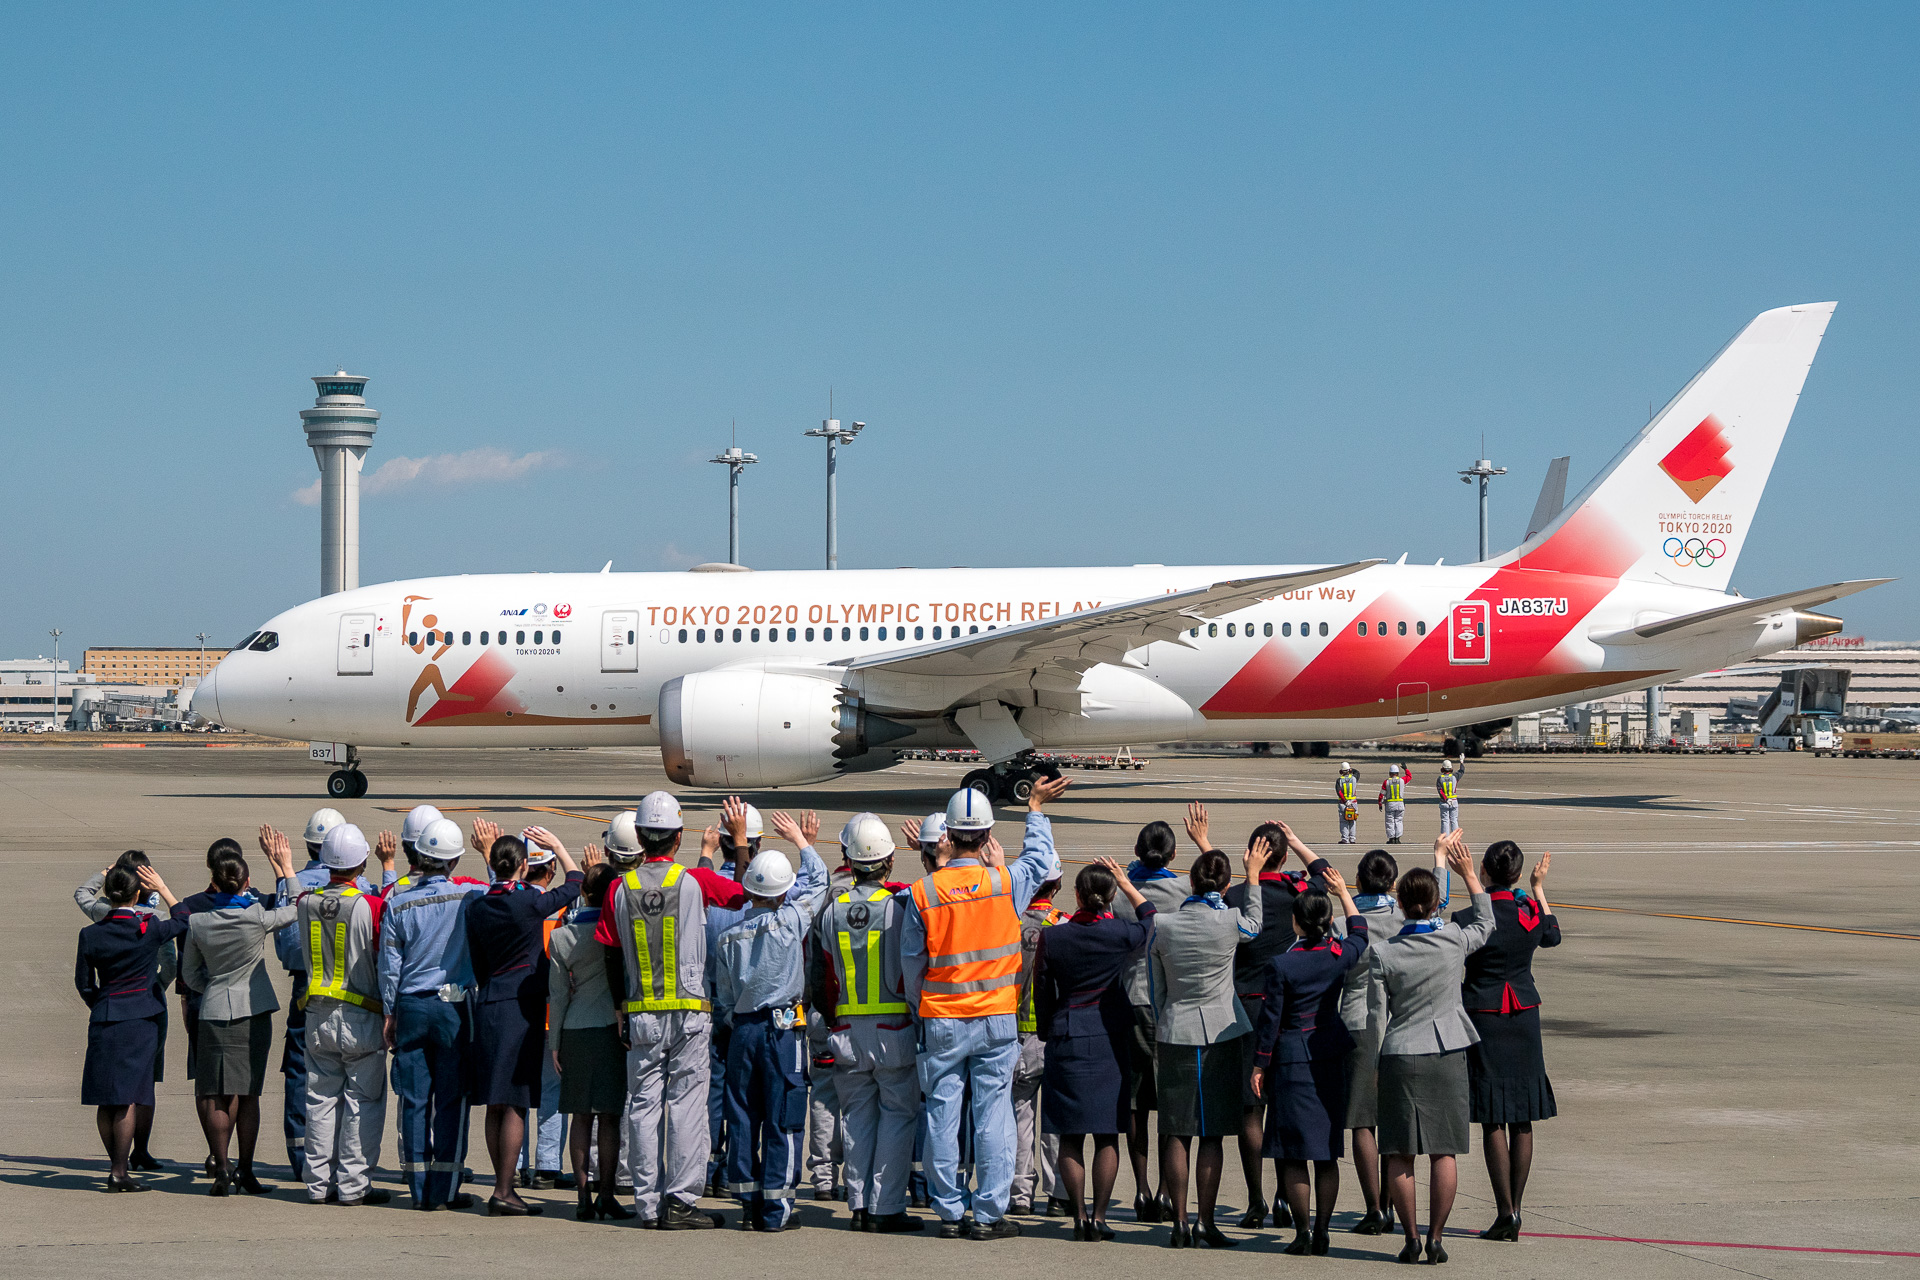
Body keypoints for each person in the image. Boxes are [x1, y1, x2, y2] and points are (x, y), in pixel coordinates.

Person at [903, 776, 1068, 1240]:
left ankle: (949, 1212)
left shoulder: (923, 892)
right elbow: (1038, 861)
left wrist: (929, 1006)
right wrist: (1034, 808)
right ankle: (989, 1213)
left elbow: (912, 968)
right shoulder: (1005, 884)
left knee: (942, 1112)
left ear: (947, 837)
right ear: (989, 835)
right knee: (993, 1114)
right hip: (996, 1017)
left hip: (942, 1018)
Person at [595, 790, 748, 1229]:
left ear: (641, 837)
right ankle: (680, 1201)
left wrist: (620, 1007)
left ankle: (646, 1203)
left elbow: (608, 950)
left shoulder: (619, 888)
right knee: (686, 1106)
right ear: (677, 838)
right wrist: (737, 843)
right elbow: (741, 896)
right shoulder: (693, 881)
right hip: (689, 1013)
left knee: (642, 1106)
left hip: (641, 1011)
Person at [1367, 832, 1495, 1264]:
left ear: (1400, 904)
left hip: (1401, 1050)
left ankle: (1410, 1237)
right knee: (1445, 1149)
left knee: (1399, 1152)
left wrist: (1373, 1062)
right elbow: (1486, 923)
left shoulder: (1384, 954)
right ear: (1436, 902)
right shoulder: (1453, 940)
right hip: (1447, 1048)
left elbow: (1374, 1017)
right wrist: (1470, 877)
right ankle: (1437, 1236)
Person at [1148, 825, 1269, 1248]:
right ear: (1223, 885)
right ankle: (1205, 1220)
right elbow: (1256, 925)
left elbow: (1156, 988)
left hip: (1176, 1029)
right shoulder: (1230, 921)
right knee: (1211, 1133)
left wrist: (1168, 1020)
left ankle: (1180, 1222)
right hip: (1220, 1030)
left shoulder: (1163, 925)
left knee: (1177, 1129)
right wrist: (1252, 877)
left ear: (1191, 881)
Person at [713, 814, 832, 1231]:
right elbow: (819, 882)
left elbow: (725, 998)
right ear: (783, 893)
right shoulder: (791, 921)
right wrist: (802, 840)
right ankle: (777, 1209)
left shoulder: (730, 939)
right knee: (784, 1115)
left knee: (743, 1115)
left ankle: (747, 1203)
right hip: (783, 1031)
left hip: (743, 1030)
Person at [1031, 857, 1156, 1241]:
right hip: (1108, 1036)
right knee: (1107, 1135)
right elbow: (1150, 919)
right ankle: (1100, 1216)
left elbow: (1041, 989)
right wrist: (1128, 883)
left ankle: (1079, 1216)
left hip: (1068, 1032)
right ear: (1111, 896)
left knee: (1069, 1135)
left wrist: (1048, 1027)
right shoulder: (1119, 933)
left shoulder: (1055, 936)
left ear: (1078, 896)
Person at [810, 814, 924, 1233]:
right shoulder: (899, 905)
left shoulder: (830, 911)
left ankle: (858, 1204)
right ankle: (886, 1206)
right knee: (897, 1114)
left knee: (857, 1117)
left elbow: (821, 975)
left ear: (847, 860)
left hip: (846, 1030)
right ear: (889, 862)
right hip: (893, 1026)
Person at [1249, 866, 1370, 1255]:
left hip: (1290, 1057)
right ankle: (1322, 1231)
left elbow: (1270, 1021)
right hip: (1328, 1052)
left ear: (1297, 923)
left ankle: (1302, 1233)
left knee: (1293, 1151)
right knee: (1325, 1151)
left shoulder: (1282, 964)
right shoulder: (1337, 956)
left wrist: (1259, 1063)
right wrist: (1342, 894)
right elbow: (1360, 933)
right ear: (1328, 920)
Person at [465, 826, 584, 1215]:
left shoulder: (478, 906)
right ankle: (504, 1189)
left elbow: (479, 962)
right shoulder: (530, 903)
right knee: (516, 1101)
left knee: (494, 1103)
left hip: (489, 1002)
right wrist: (559, 846)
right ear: (521, 866)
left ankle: (502, 1183)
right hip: (522, 1006)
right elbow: (576, 883)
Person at [272, 808, 396, 1182]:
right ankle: (352, 1184)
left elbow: (292, 899)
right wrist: (388, 865)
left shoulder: (306, 902)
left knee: (320, 1101)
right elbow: (390, 936)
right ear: (362, 863)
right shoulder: (371, 904)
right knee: (362, 1102)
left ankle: (317, 1182)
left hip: (317, 1015)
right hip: (361, 1015)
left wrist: (285, 869)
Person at [1222, 813, 1326, 1231]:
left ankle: (1255, 1200)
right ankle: (1287, 1197)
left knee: (1251, 1110)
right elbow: (1324, 875)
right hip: (1289, 1008)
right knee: (1285, 1105)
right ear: (1282, 858)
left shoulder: (1234, 897)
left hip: (1247, 1005)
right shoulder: (1297, 894)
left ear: (1250, 855)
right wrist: (1296, 839)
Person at [180, 837, 301, 1195]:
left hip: (215, 1011)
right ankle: (246, 1170)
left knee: (216, 1094)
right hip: (254, 1009)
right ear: (246, 884)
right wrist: (287, 867)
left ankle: (222, 1168)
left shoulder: (199, 922)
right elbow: (295, 905)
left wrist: (213, 986)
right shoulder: (255, 917)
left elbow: (190, 974)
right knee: (249, 1094)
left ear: (214, 884)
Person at [378, 817, 489, 1210]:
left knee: (413, 1099)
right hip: (453, 1004)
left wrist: (390, 1013)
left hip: (410, 1003)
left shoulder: (398, 902)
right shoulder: (469, 896)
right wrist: (489, 853)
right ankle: (446, 1188)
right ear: (453, 862)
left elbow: (390, 967)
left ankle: (419, 1187)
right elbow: (502, 893)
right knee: (452, 1098)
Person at [1460, 842, 1560, 1242]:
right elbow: (1552, 935)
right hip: (1523, 1016)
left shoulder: (1470, 916)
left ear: (1484, 870)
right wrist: (1538, 890)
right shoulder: (1530, 913)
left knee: (1492, 1116)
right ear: (1517, 875)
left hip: (1484, 1015)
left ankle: (1504, 1211)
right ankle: (1516, 1207)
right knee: (1522, 1116)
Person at [76, 862, 187, 1191]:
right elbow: (182, 919)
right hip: (141, 1018)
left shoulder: (91, 933)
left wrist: (102, 1002)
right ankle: (119, 1171)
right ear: (138, 893)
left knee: (105, 1098)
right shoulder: (149, 927)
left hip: (106, 1015)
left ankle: (115, 1162)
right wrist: (164, 888)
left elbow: (83, 984)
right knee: (128, 1098)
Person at [548, 860, 634, 1220]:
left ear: (583, 891)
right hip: (611, 1028)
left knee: (580, 1117)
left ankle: (582, 1194)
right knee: (610, 1118)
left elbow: (558, 994)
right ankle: (607, 1193)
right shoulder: (619, 931)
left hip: (575, 1027)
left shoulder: (562, 936)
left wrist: (554, 1043)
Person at [1119, 818, 1187, 1224]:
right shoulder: (1181, 890)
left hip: (1131, 999)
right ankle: (1165, 1190)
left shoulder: (1121, 890)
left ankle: (1142, 1189)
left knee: (1135, 1104)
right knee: (1168, 1103)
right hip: (1168, 1003)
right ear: (1173, 855)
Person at [1339, 848, 1404, 1235]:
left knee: (1363, 1119)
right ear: (1393, 883)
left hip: (1357, 1020)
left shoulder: (1345, 921)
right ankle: (1394, 1204)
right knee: (1394, 1117)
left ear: (1358, 881)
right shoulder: (1404, 918)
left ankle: (1374, 1206)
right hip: (1398, 1021)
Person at [513, 836, 572, 1191]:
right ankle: (548, 1167)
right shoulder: (563, 909)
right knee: (552, 1092)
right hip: (554, 1013)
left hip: (519, 1013)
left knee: (519, 1091)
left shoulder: (512, 904)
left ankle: (517, 1163)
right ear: (552, 868)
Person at [1012, 870, 1065, 1216]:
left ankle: (1020, 1192)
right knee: (1056, 1117)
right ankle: (1059, 1191)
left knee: (1020, 1116)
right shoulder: (1063, 925)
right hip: (1055, 1035)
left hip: (1017, 1034)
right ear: (1058, 886)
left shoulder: (1010, 923)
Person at [1378, 765, 1407, 844]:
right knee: (1399, 821)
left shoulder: (1386, 782)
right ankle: (1397, 838)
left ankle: (1392, 838)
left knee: (1390, 822)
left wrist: (1380, 803)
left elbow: (1382, 794)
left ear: (1390, 773)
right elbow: (1409, 776)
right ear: (1397, 773)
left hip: (1390, 804)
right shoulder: (1402, 780)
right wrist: (1406, 769)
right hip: (1400, 804)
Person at [1335, 764, 1360, 845]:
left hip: (1343, 803)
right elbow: (1357, 772)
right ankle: (1352, 839)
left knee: (1344, 822)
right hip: (1353, 803)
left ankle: (1345, 839)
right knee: (1352, 821)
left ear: (1342, 771)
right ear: (1349, 770)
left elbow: (1339, 792)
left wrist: (1345, 801)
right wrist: (1350, 769)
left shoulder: (1339, 780)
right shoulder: (1354, 778)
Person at [1437, 762, 1460, 836]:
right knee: (1454, 820)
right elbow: (1462, 771)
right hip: (1453, 801)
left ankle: (1445, 838)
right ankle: (1455, 837)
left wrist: (1446, 799)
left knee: (1445, 821)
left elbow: (1440, 791)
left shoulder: (1440, 778)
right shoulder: (1455, 777)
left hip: (1444, 802)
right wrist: (1462, 762)